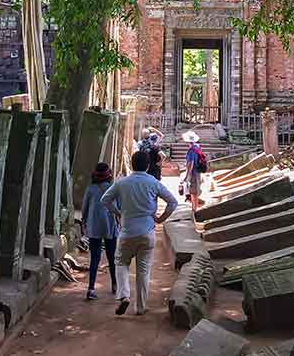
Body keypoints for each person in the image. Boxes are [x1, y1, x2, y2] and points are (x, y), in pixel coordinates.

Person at [101, 151, 178, 316]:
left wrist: (117, 212)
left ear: (133, 164)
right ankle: (141, 307)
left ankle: (124, 295)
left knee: (121, 262)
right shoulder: (153, 182)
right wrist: (160, 219)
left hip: (127, 232)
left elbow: (104, 200)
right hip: (147, 232)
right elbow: (173, 202)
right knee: (143, 270)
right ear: (148, 165)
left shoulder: (122, 183)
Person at [81, 162, 120, 300]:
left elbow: (84, 208)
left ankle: (91, 289)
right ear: (109, 175)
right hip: (110, 226)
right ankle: (115, 285)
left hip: (94, 227)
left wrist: (84, 223)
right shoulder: (114, 188)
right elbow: (119, 208)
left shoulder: (90, 189)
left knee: (95, 259)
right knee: (112, 258)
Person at [182, 130, 205, 210]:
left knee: (193, 191)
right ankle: (194, 206)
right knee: (195, 189)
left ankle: (194, 208)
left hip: (193, 172)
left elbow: (190, 164)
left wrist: (187, 176)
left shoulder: (191, 150)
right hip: (198, 170)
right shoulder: (197, 146)